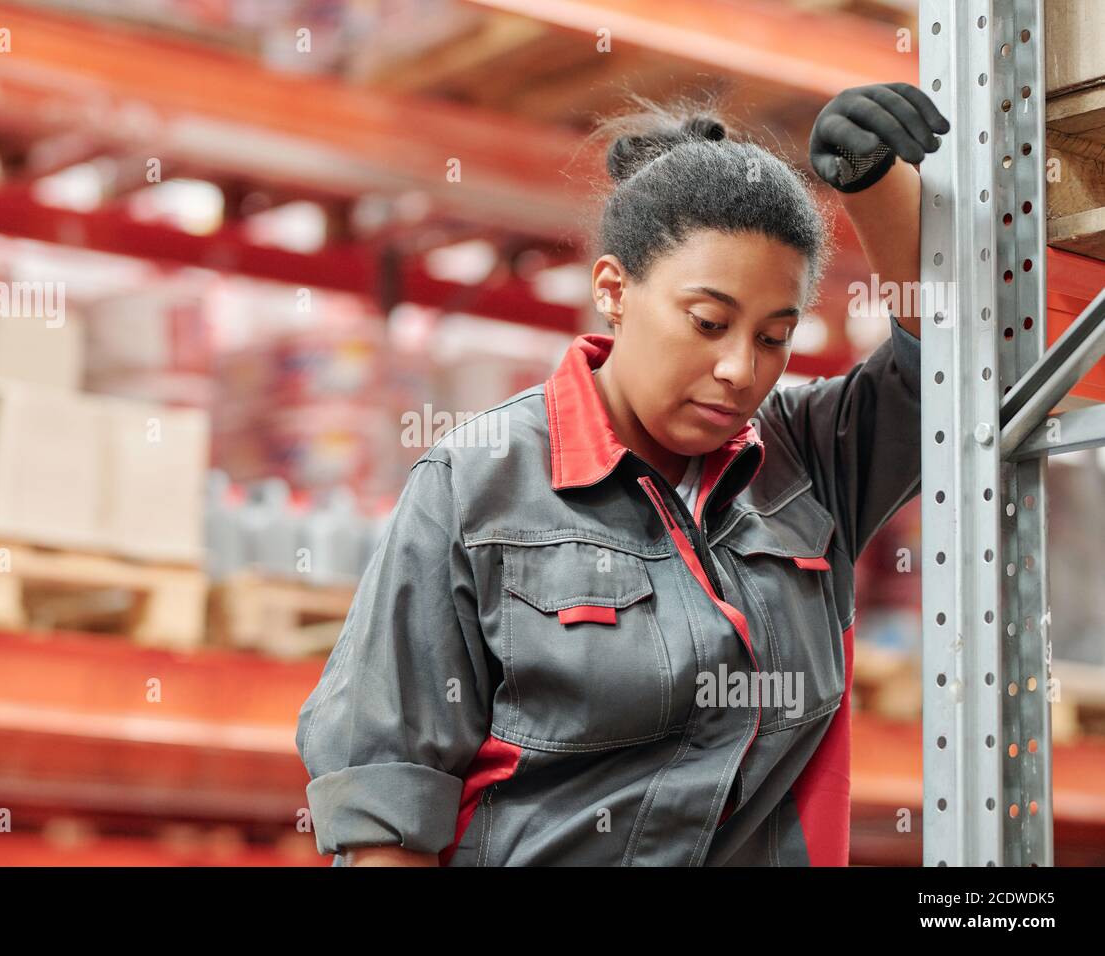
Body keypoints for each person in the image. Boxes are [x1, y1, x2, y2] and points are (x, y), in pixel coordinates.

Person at [295, 83, 949, 866]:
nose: (741, 369)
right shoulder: (475, 486)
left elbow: (949, 353)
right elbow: (384, 810)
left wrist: (877, 186)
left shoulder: (810, 462)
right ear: (613, 290)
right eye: (708, 323)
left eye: (775, 337)